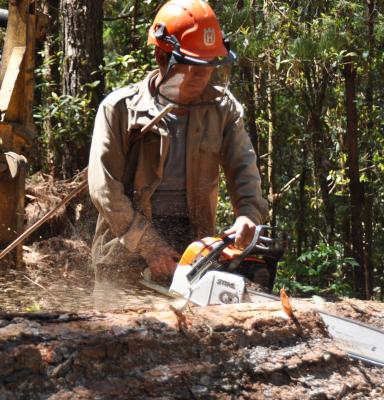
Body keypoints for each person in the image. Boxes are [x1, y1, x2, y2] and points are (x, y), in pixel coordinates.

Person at [88, 0, 269, 287]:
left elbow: (244, 168)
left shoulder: (222, 109)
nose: (204, 77)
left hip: (192, 250)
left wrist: (248, 214)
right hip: (125, 249)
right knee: (120, 330)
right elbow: (104, 190)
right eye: (194, 68)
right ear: (163, 57)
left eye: (209, 67)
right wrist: (148, 244)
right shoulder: (120, 109)